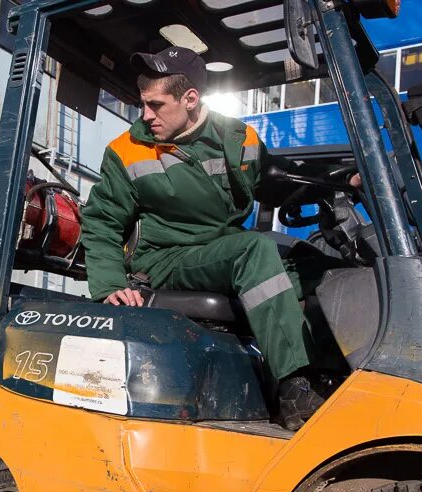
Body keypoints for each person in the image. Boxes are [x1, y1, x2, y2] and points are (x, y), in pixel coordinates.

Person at [82, 47, 360, 430]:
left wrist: (340, 180)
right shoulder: (127, 152)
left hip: (223, 249)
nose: (145, 116)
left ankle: (339, 372)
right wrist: (109, 283)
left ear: (190, 99)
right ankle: (297, 388)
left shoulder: (239, 138)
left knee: (327, 269)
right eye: (143, 104)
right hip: (168, 258)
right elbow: (100, 222)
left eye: (156, 105)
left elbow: (277, 182)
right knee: (256, 248)